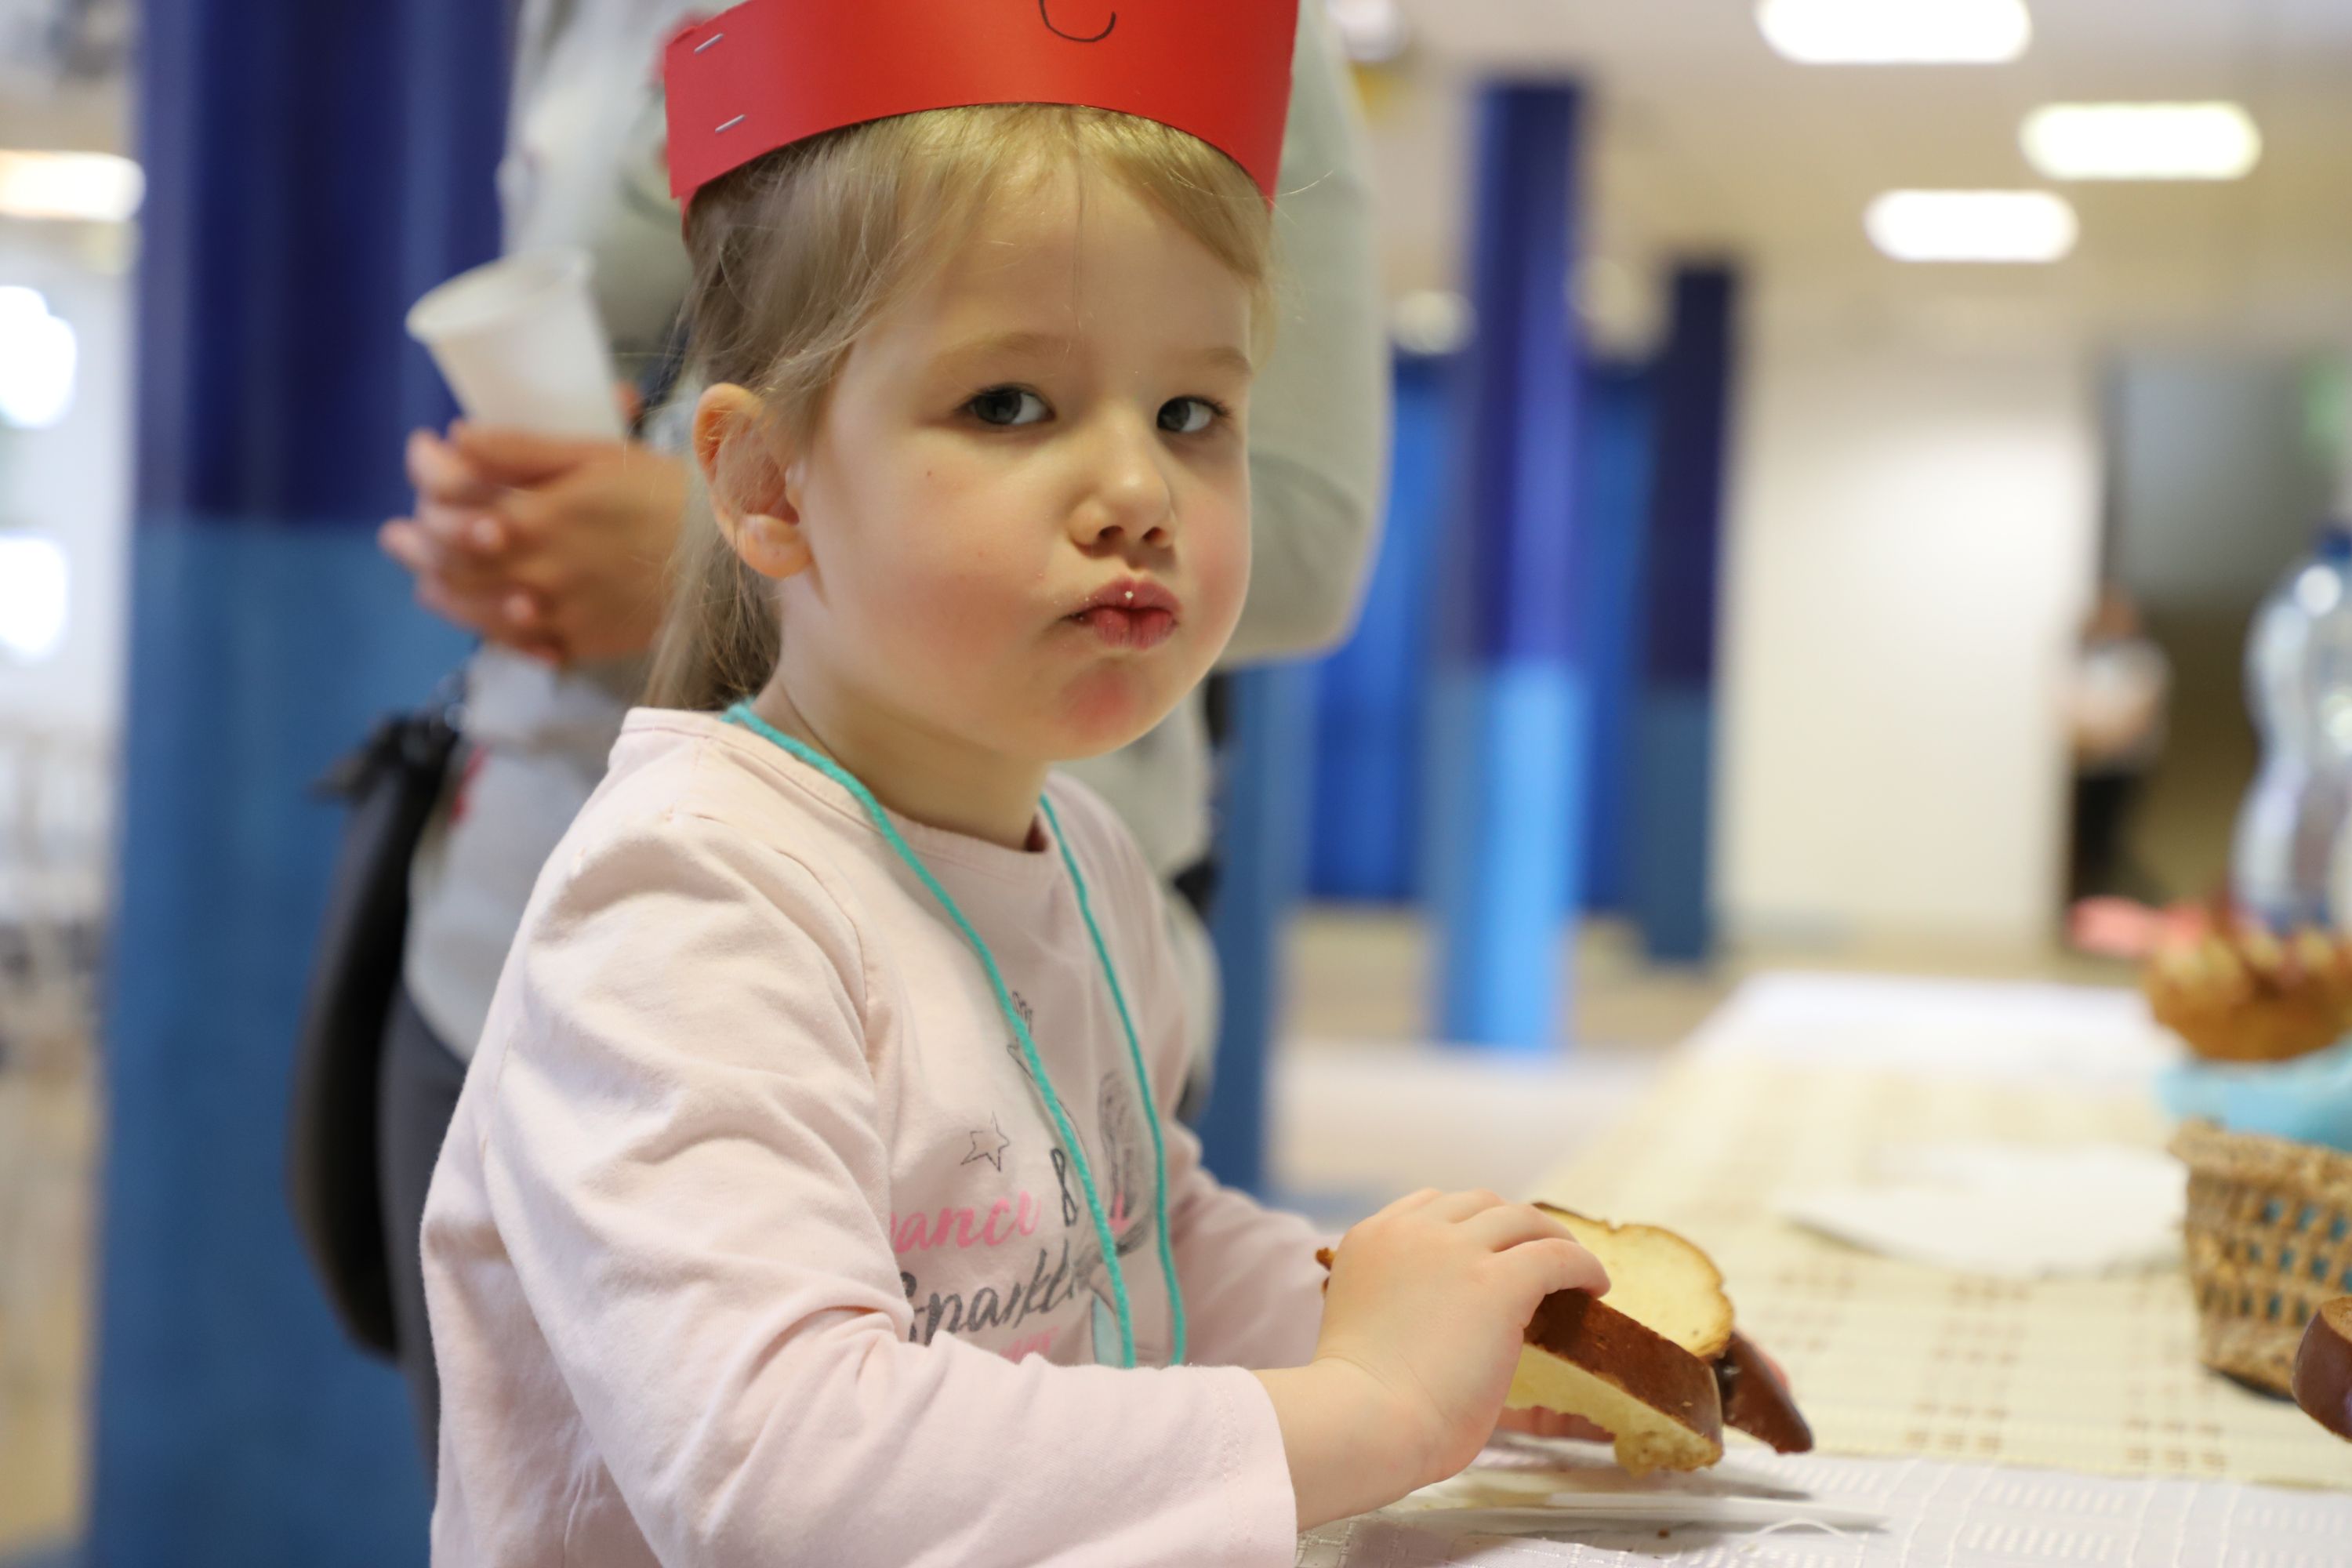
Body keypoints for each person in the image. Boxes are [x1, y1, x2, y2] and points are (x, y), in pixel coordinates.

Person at [418, 2, 1604, 1558]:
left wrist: (1456, 1337)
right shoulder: (690, 901)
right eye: (1010, 406)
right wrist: (1365, 1409)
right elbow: (786, 1477)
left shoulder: (1084, 854)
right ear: (769, 486)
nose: (1137, 489)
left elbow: (1141, 1239)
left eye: (1193, 414)